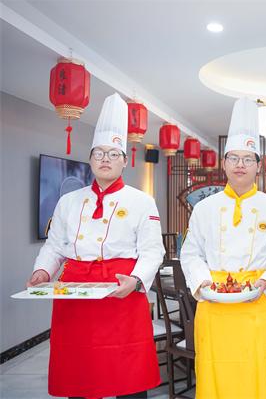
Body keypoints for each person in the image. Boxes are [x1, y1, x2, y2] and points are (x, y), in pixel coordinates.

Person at [27, 93, 165, 398]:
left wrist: (136, 281)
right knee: (80, 374)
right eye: (99, 153)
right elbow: (55, 246)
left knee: (127, 375)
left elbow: (153, 250)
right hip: (75, 294)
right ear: (90, 159)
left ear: (125, 161)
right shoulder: (68, 201)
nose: (105, 159)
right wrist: (42, 271)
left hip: (121, 291)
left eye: (113, 154)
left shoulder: (142, 201)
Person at [180, 97, 266, 398]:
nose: (240, 165)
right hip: (214, 303)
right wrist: (202, 281)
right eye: (234, 158)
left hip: (259, 303)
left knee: (262, 375)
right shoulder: (204, 208)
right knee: (217, 375)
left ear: (258, 165)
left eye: (248, 159)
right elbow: (191, 253)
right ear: (224, 164)